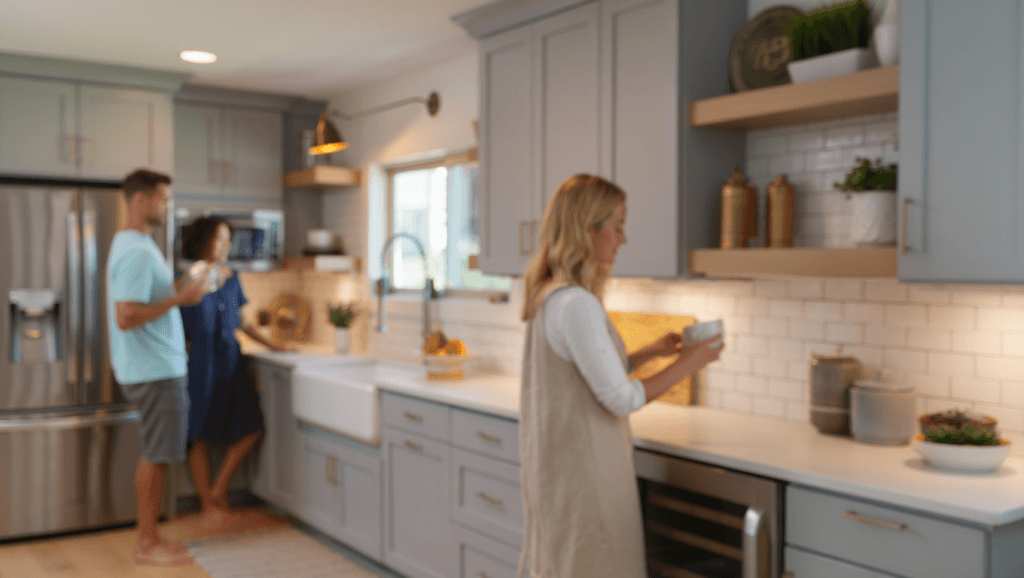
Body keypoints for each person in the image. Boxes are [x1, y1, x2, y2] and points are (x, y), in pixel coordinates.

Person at [517, 174, 723, 578]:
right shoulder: (577, 304)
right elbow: (620, 398)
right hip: (586, 480)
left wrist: (648, 354)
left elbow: (586, 379)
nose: (622, 239)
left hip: (561, 474)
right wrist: (691, 363)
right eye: (617, 226)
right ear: (587, 230)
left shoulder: (551, 294)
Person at [106, 169, 205, 566]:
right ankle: (147, 543)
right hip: (155, 372)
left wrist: (180, 290)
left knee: (158, 453)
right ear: (141, 201)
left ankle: (150, 537)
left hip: (153, 368)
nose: (166, 205)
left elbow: (144, 301)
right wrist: (178, 300)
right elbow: (126, 316)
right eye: (162, 198)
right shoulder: (136, 251)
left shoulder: (135, 244)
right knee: (156, 455)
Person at [178, 216, 289, 524]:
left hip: (230, 359)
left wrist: (273, 346)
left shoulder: (233, 277)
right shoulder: (187, 278)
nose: (226, 246)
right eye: (220, 239)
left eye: (229, 239)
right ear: (203, 242)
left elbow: (244, 321)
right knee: (197, 434)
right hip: (198, 362)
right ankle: (207, 502)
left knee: (251, 427)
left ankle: (217, 489)